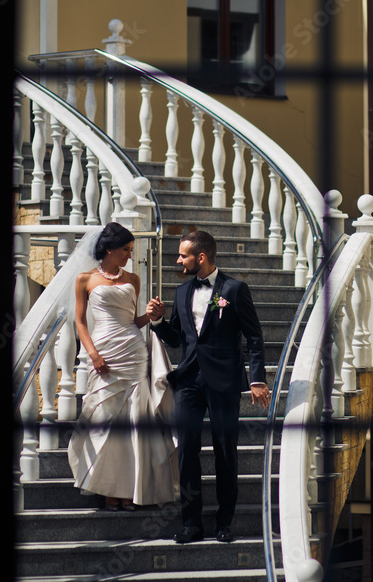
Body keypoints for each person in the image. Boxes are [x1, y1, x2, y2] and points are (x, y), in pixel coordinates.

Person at [146, 230, 270, 544]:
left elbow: (254, 338)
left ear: (201, 257)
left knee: (225, 450)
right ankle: (191, 524)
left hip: (224, 380)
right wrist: (159, 323)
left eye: (183, 255)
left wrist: (257, 379)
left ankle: (224, 523)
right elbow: (178, 339)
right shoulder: (182, 290)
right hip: (188, 380)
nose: (178, 260)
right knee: (187, 450)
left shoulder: (235, 289)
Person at [67, 222, 178, 511]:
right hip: (103, 352)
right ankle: (106, 490)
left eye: (131, 250)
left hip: (133, 352)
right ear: (108, 249)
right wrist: (92, 354)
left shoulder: (133, 279)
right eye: (125, 250)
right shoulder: (84, 279)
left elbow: (134, 322)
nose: (130, 255)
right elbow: (80, 322)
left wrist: (151, 315)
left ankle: (131, 489)